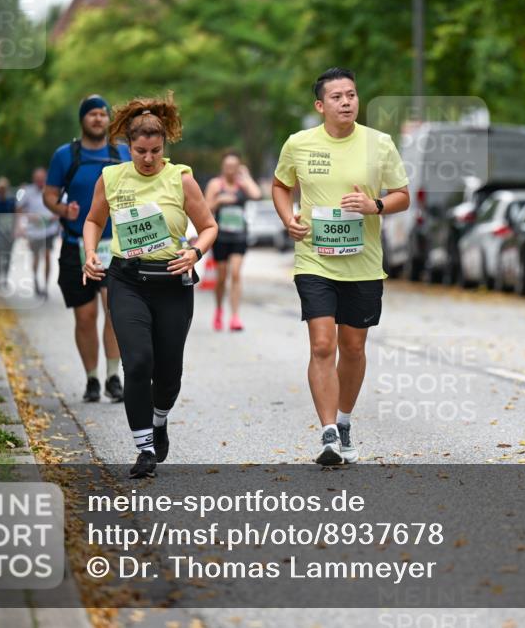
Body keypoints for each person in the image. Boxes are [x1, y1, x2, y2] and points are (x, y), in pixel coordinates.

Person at [271, 68, 410, 466]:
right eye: (337, 97)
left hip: (362, 264)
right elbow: (281, 185)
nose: (346, 102)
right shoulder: (299, 143)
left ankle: (345, 420)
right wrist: (288, 218)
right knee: (322, 345)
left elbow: (402, 195)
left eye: (351, 94)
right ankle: (329, 432)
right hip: (314, 259)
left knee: (353, 348)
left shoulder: (379, 143)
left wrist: (374, 205)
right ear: (320, 105)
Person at [81, 93, 217, 479]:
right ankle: (144, 448)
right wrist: (90, 253)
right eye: (140, 151)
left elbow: (209, 227)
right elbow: (93, 220)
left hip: (172, 281)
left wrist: (195, 252)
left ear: (164, 146)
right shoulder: (111, 178)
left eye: (155, 151)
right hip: (127, 281)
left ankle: (159, 420)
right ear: (128, 146)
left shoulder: (181, 178)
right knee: (138, 362)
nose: (147, 159)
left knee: (169, 372)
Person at [44, 95, 130, 403]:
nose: (98, 119)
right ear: (83, 119)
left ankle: (113, 377)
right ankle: (92, 378)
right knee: (85, 316)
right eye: (92, 114)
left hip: (115, 246)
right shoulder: (65, 155)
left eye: (102, 114)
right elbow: (50, 194)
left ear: (108, 120)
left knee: (114, 311)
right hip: (76, 246)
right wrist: (62, 210)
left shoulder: (122, 153)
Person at [204, 150, 262, 331]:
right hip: (220, 237)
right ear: (222, 166)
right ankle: (219, 310)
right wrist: (219, 200)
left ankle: (235, 316)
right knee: (221, 277)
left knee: (236, 274)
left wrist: (246, 176)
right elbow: (205, 209)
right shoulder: (215, 184)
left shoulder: (242, 184)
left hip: (239, 236)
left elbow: (257, 194)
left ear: (238, 167)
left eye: (234, 166)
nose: (230, 169)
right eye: (227, 166)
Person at [17, 167, 60, 298]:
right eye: (37, 180)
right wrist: (29, 217)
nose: (40, 182)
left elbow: (61, 207)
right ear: (34, 179)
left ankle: (46, 286)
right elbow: (18, 209)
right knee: (36, 257)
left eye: (42, 179)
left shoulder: (52, 190)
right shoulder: (28, 191)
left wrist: (56, 215)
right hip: (34, 231)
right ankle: (36, 281)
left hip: (49, 229)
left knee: (47, 256)